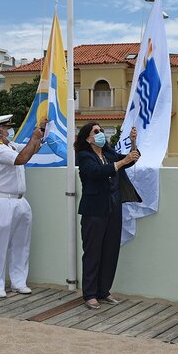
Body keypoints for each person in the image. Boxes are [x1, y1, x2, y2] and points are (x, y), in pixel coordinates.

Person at [75, 122, 140, 309]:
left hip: (113, 206)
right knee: (93, 252)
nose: (101, 133)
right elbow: (96, 172)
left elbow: (130, 160)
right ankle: (90, 294)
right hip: (94, 210)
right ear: (88, 138)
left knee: (110, 250)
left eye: (101, 130)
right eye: (96, 131)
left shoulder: (108, 153)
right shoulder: (84, 156)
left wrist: (133, 143)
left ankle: (104, 291)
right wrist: (123, 162)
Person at [0, 114, 45, 298]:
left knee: (21, 244)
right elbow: (21, 158)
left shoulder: (9, 145)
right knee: (0, 245)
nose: (10, 130)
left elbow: (31, 150)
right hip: (1, 200)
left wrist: (41, 131)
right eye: (7, 127)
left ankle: (18, 282)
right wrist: (34, 136)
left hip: (19, 200)